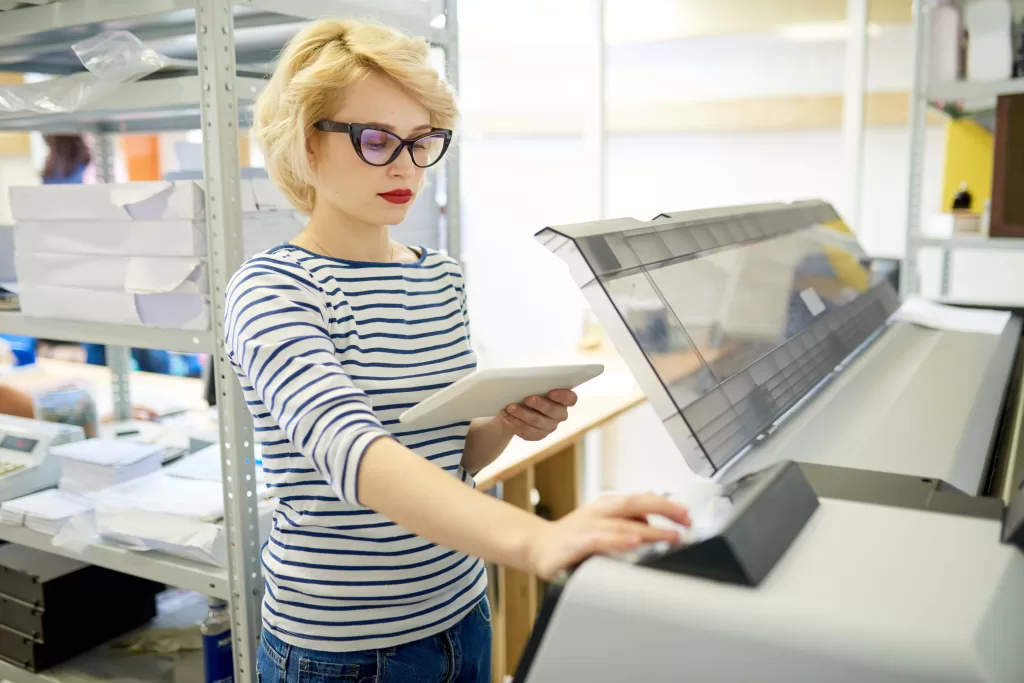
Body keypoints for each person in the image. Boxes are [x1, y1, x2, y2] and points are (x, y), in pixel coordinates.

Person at [227, 19, 691, 683]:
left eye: (423, 142)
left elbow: (449, 454)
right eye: (377, 139)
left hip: (463, 611)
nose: (405, 167)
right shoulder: (274, 290)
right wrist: (535, 538)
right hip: (345, 648)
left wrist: (502, 424)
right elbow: (355, 453)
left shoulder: (439, 275)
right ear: (305, 142)